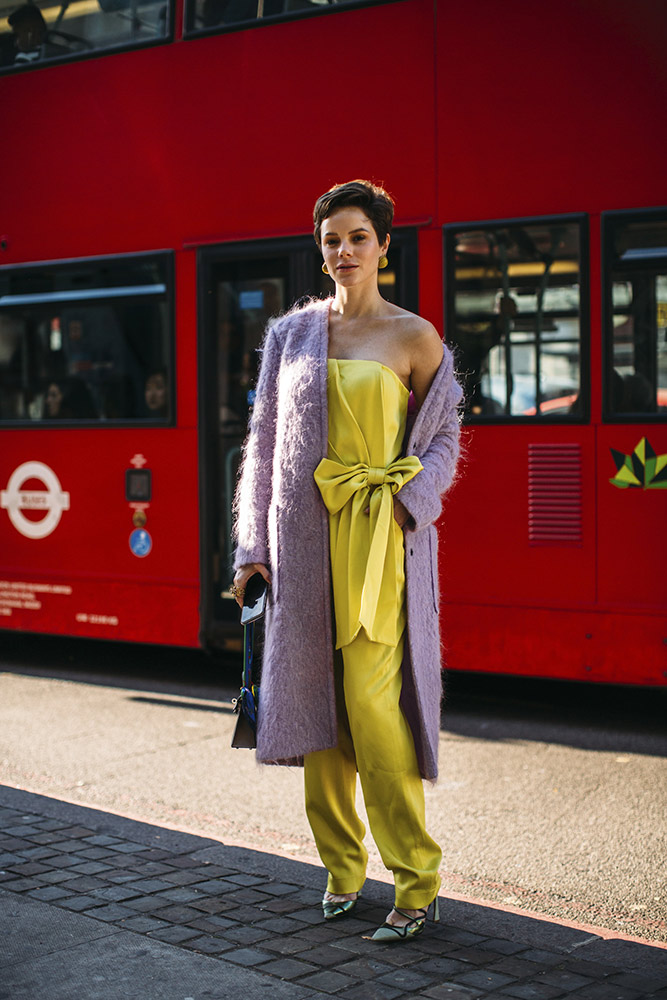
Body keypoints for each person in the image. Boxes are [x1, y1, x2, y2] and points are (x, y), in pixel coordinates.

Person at [232, 180, 462, 943]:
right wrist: (251, 551)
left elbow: (441, 441)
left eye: (358, 237)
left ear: (383, 245)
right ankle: (340, 868)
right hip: (301, 546)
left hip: (380, 543)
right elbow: (262, 447)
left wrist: (408, 501)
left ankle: (416, 877)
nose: (344, 252)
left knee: (375, 713)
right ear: (320, 248)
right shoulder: (289, 335)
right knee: (315, 713)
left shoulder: (415, 337)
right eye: (332, 239)